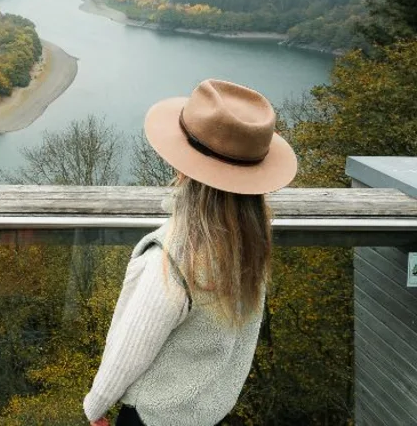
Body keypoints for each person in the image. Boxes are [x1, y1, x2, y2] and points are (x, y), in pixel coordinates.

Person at [83, 79, 298, 426]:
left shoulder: (173, 257)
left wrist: (96, 406)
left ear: (184, 167)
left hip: (152, 418)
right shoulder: (251, 245)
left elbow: (129, 351)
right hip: (206, 414)